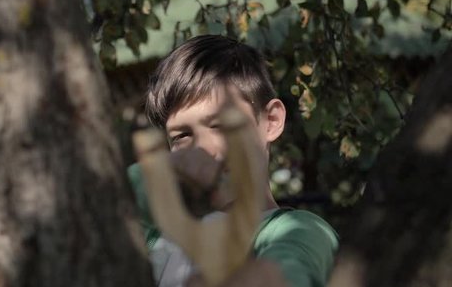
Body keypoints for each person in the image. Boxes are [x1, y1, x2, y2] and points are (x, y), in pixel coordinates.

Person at [127, 35, 338, 287]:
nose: (204, 149)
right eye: (182, 135)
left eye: (222, 125)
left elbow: (293, 266)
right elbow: (106, 197)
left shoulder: (298, 232)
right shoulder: (156, 239)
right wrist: (160, 175)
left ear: (271, 121)